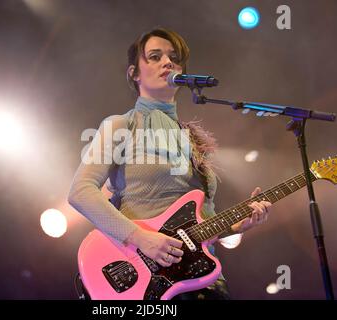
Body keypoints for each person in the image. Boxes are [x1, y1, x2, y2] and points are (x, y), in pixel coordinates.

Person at [68, 28, 272, 300]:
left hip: (202, 279)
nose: (168, 62)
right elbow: (80, 191)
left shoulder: (192, 139)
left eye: (174, 58)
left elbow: (197, 223)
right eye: (155, 56)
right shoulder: (121, 125)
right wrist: (141, 238)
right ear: (134, 73)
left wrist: (235, 226)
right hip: (147, 278)